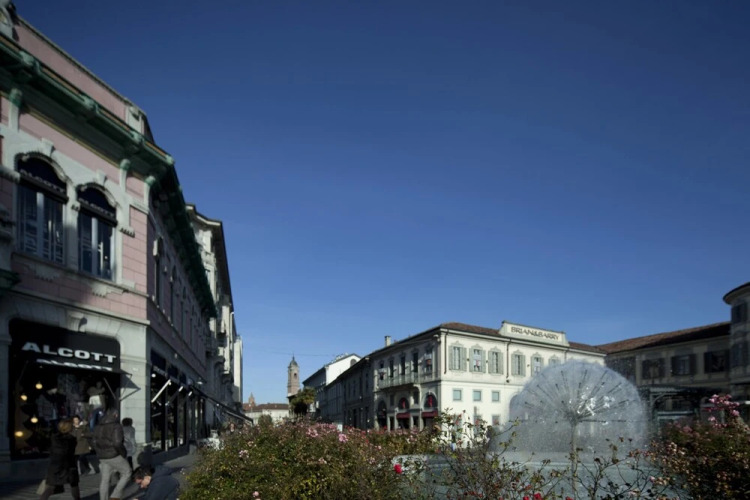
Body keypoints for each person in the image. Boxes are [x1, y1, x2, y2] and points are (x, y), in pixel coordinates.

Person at [92, 408, 131, 500]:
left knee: (105, 480)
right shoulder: (116, 426)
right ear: (115, 415)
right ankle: (115, 496)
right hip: (113, 454)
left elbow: (93, 441)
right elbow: (117, 443)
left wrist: (98, 451)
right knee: (127, 472)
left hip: (102, 456)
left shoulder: (98, 426)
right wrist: (123, 453)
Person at [39, 418, 80, 500]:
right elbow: (70, 452)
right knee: (74, 484)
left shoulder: (54, 438)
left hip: (55, 464)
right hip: (68, 465)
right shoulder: (71, 439)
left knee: (51, 486)